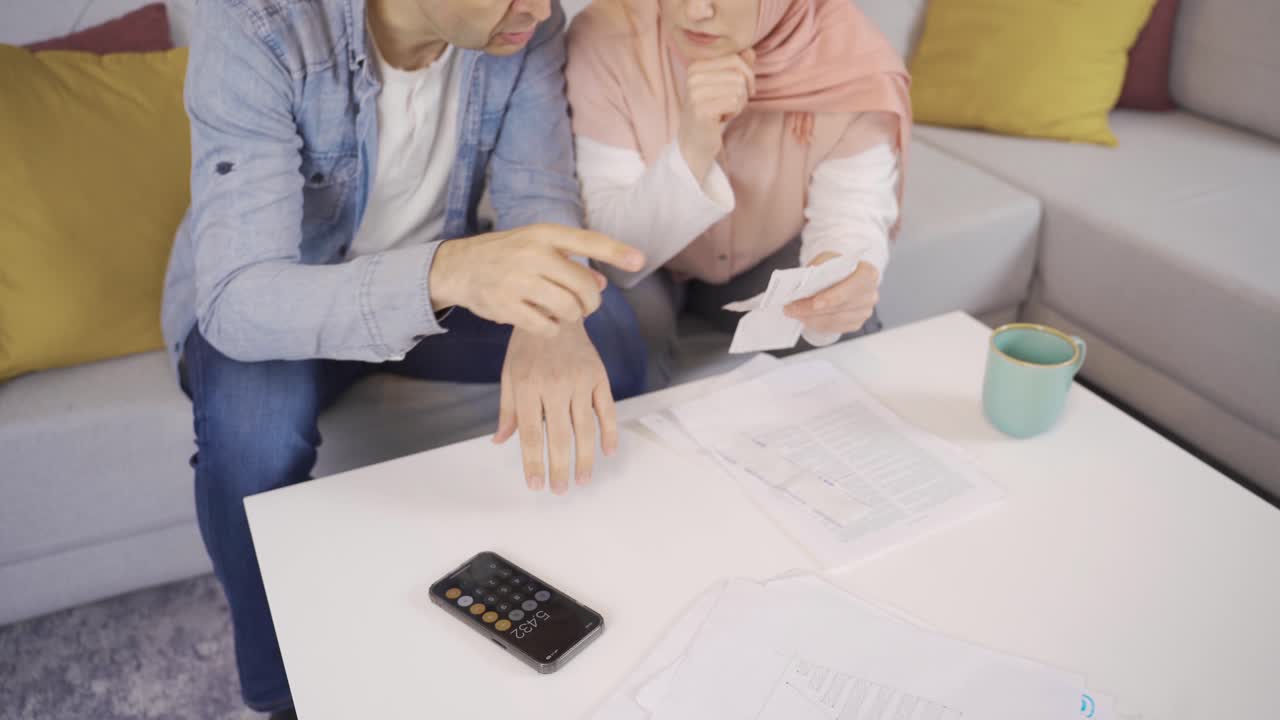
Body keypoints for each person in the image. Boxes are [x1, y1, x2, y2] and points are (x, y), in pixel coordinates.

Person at [161, 0, 648, 714]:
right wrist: (447, 274)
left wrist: (550, 319)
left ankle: (567, 587)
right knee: (252, 435)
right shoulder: (257, 24)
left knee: (610, 338)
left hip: (434, 290)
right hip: (288, 303)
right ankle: (283, 692)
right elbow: (240, 301)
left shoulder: (526, 27)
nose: (543, 8)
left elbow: (537, 193)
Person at [565, 0, 911, 388]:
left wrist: (835, 283)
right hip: (646, 262)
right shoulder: (608, 35)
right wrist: (694, 144)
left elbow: (849, 219)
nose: (695, 11)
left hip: (763, 253)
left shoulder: (855, 64)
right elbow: (614, 253)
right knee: (620, 334)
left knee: (842, 331)